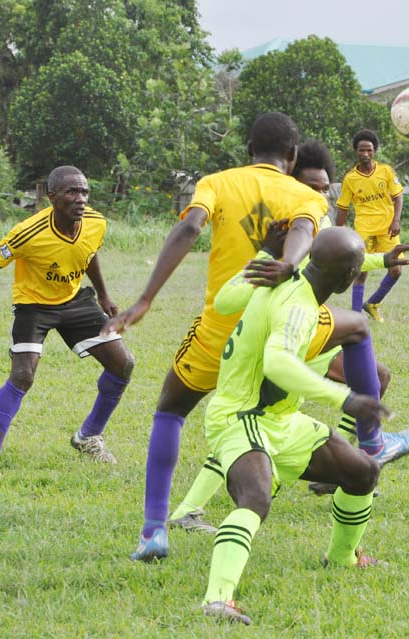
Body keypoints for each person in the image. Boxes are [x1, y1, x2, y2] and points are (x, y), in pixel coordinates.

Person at [103, 113, 329, 561]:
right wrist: (288, 262)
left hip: (218, 334)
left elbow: (189, 228)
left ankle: (154, 531)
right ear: (292, 155)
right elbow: (303, 231)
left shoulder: (218, 182)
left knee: (170, 410)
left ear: (248, 150)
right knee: (348, 341)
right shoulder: (308, 196)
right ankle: (370, 440)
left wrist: (146, 299)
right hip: (278, 336)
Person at [169, 140, 409, 529]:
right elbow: (246, 290)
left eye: (324, 188)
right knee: (256, 417)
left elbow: (343, 257)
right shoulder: (292, 222)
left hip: (302, 324)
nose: (319, 194)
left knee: (372, 374)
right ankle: (367, 447)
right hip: (286, 325)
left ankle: (338, 461)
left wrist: (381, 258)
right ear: (291, 180)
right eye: (313, 186)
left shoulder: (317, 219)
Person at [201, 227, 390, 626]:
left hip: (282, 419)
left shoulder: (284, 273)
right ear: (345, 280)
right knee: (255, 497)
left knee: (362, 471)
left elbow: (224, 300)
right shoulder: (299, 308)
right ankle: (217, 600)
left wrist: (267, 253)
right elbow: (278, 364)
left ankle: (341, 558)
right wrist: (347, 398)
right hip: (241, 417)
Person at [0, 166, 134, 479]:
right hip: (33, 306)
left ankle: (88, 437)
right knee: (23, 375)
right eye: (72, 192)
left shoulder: (96, 222)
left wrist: (103, 295)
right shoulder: (28, 232)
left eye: (84, 192)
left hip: (74, 302)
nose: (80, 199)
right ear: (51, 196)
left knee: (122, 364)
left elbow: (89, 253)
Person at [336, 129, 404, 323]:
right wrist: (337, 233)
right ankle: (356, 317)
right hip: (364, 229)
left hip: (387, 228)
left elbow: (398, 197)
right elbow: (342, 208)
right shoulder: (350, 178)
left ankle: (373, 303)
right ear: (356, 152)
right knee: (361, 271)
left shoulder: (386, 171)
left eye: (369, 150)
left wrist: (396, 219)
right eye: (361, 150)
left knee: (396, 269)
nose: (365, 154)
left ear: (374, 151)